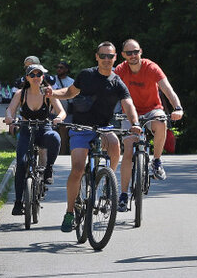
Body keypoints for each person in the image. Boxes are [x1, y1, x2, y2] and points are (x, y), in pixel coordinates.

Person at [47, 42, 142, 233]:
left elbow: (128, 104)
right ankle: (70, 212)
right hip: (81, 127)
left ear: (116, 58)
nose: (107, 59)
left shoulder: (117, 82)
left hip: (104, 127)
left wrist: (135, 123)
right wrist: (52, 93)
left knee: (115, 144)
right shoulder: (86, 75)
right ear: (97, 57)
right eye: (103, 56)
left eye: (110, 56)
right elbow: (69, 92)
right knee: (78, 167)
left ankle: (109, 182)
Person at [113, 39, 184, 210]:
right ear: (123, 55)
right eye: (128, 53)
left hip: (152, 109)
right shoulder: (120, 70)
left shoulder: (151, 67)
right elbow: (109, 90)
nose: (133, 56)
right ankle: (123, 194)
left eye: (135, 52)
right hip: (130, 113)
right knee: (128, 151)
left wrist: (178, 108)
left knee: (161, 122)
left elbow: (168, 89)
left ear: (141, 52)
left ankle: (157, 161)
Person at [4, 64, 65, 215]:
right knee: (22, 163)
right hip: (26, 130)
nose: (36, 78)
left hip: (44, 129)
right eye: (33, 75)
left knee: (55, 138)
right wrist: (10, 119)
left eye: (39, 75)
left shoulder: (48, 93)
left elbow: (62, 111)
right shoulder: (21, 93)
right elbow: (10, 110)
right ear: (27, 78)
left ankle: (49, 169)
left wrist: (58, 118)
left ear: (43, 77)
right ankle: (18, 203)